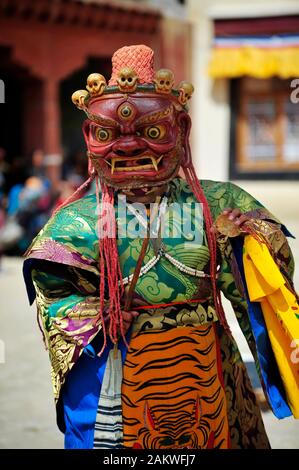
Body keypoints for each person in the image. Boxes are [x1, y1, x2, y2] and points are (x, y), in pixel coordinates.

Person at [23, 45, 299, 449]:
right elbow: (55, 299)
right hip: (122, 368)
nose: (130, 146)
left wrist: (243, 243)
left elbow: (266, 289)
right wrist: (105, 314)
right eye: (107, 134)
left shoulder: (220, 203)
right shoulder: (74, 224)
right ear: (88, 137)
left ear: (181, 129)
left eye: (152, 131)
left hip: (210, 370)